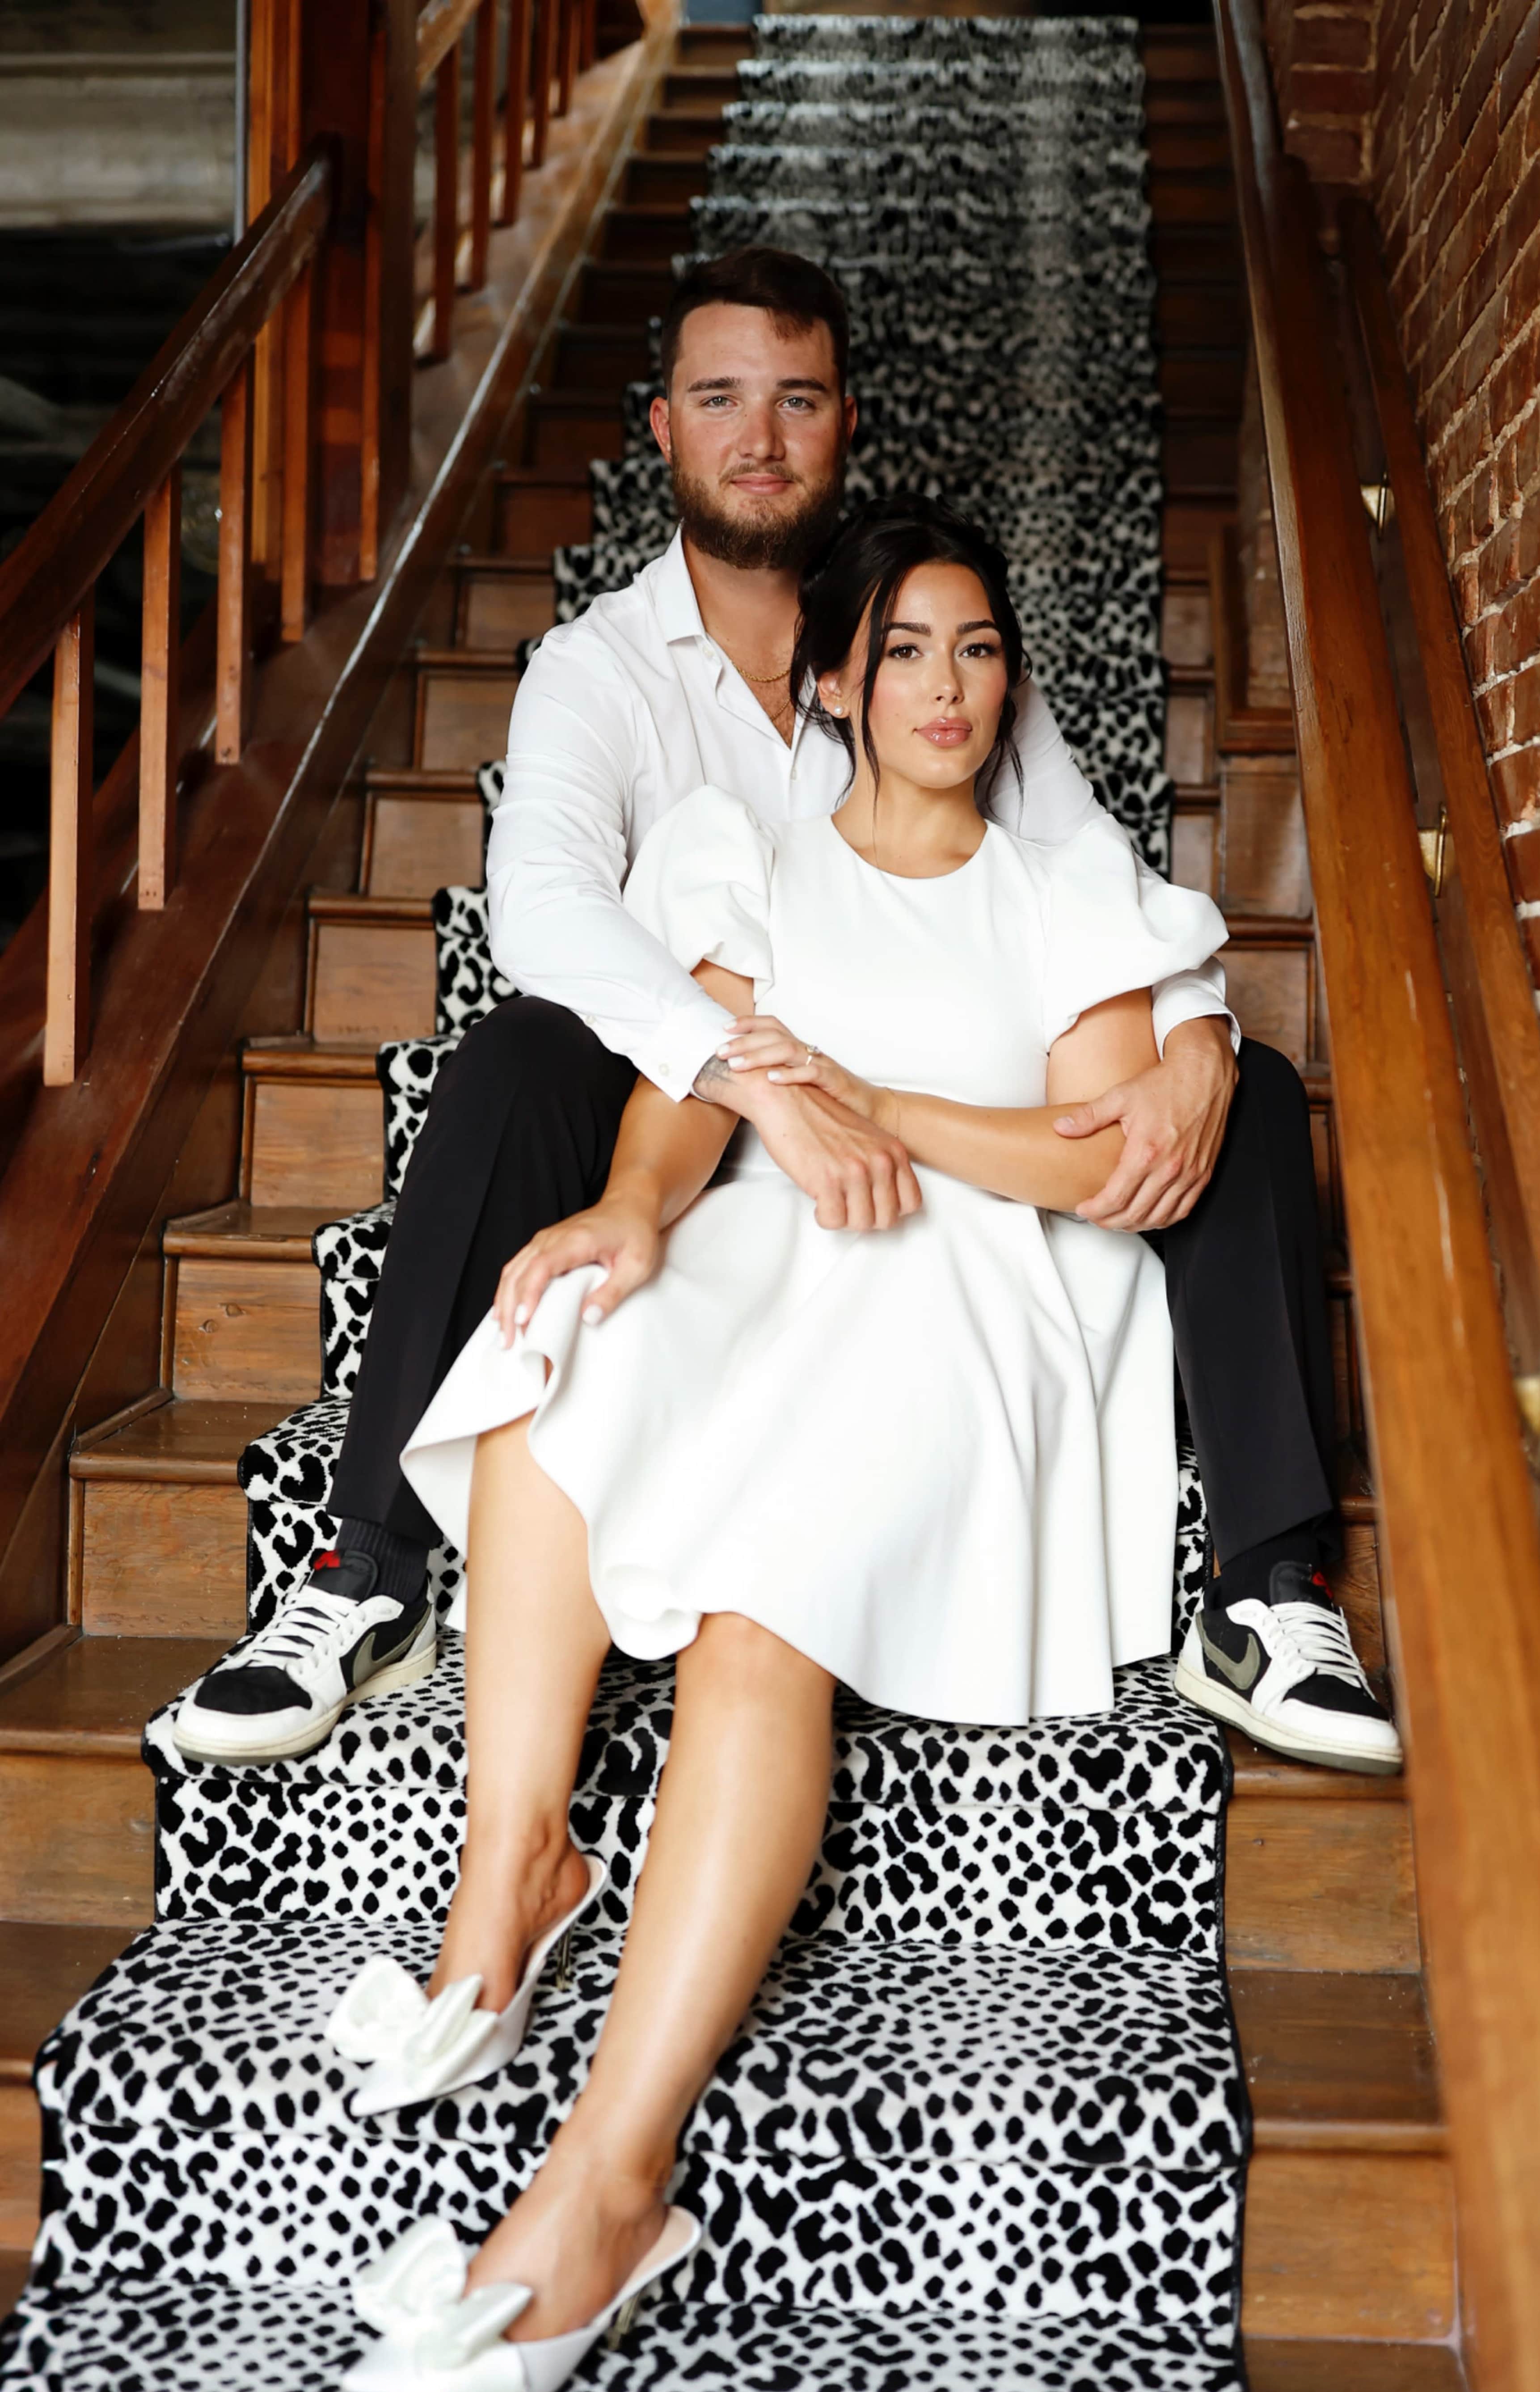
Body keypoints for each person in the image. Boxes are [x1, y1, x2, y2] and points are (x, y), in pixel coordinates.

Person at [334, 498, 1364, 2392]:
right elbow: (676, 1099)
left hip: (983, 1298)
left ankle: (608, 2180)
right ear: (832, 682)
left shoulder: (1068, 885)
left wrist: (875, 1098)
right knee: (554, 1347)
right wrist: (634, 1216)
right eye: (905, 650)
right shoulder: (748, 858)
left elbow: (1090, 1162)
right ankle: (511, 1873)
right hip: (769, 1246)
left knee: (756, 1618)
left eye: (980, 651)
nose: (950, 688)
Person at [173, 248, 1397, 1778]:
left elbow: (1101, 883)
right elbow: (546, 910)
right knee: (513, 1051)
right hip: (689, 1115)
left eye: (797, 399)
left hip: (939, 1132)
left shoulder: (927, 653)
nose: (760, 436)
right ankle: (366, 1567)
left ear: (844, 423)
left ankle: (1271, 1591)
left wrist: (1200, 1037)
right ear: (664, 431)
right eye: (721, 398)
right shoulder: (596, 667)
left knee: (1256, 1093)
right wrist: (750, 1078)